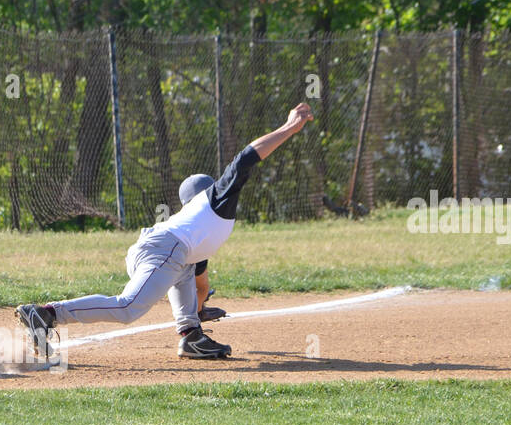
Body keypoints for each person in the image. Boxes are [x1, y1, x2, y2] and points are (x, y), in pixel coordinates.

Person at [17, 103, 313, 359]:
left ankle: (191, 337)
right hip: (165, 250)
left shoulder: (195, 229)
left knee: (185, 265)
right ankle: (47, 313)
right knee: (127, 308)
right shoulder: (214, 203)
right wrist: (289, 127)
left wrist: (199, 311)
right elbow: (243, 160)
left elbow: (199, 285)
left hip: (165, 251)